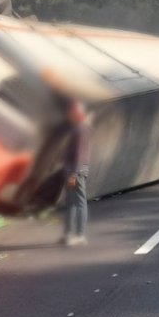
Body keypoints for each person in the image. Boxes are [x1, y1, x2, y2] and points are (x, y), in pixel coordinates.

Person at [63, 99, 91, 247]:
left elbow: (79, 153)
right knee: (72, 202)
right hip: (75, 169)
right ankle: (70, 234)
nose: (69, 114)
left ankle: (78, 234)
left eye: (71, 111)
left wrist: (73, 174)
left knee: (78, 202)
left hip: (77, 170)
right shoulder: (80, 128)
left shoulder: (80, 129)